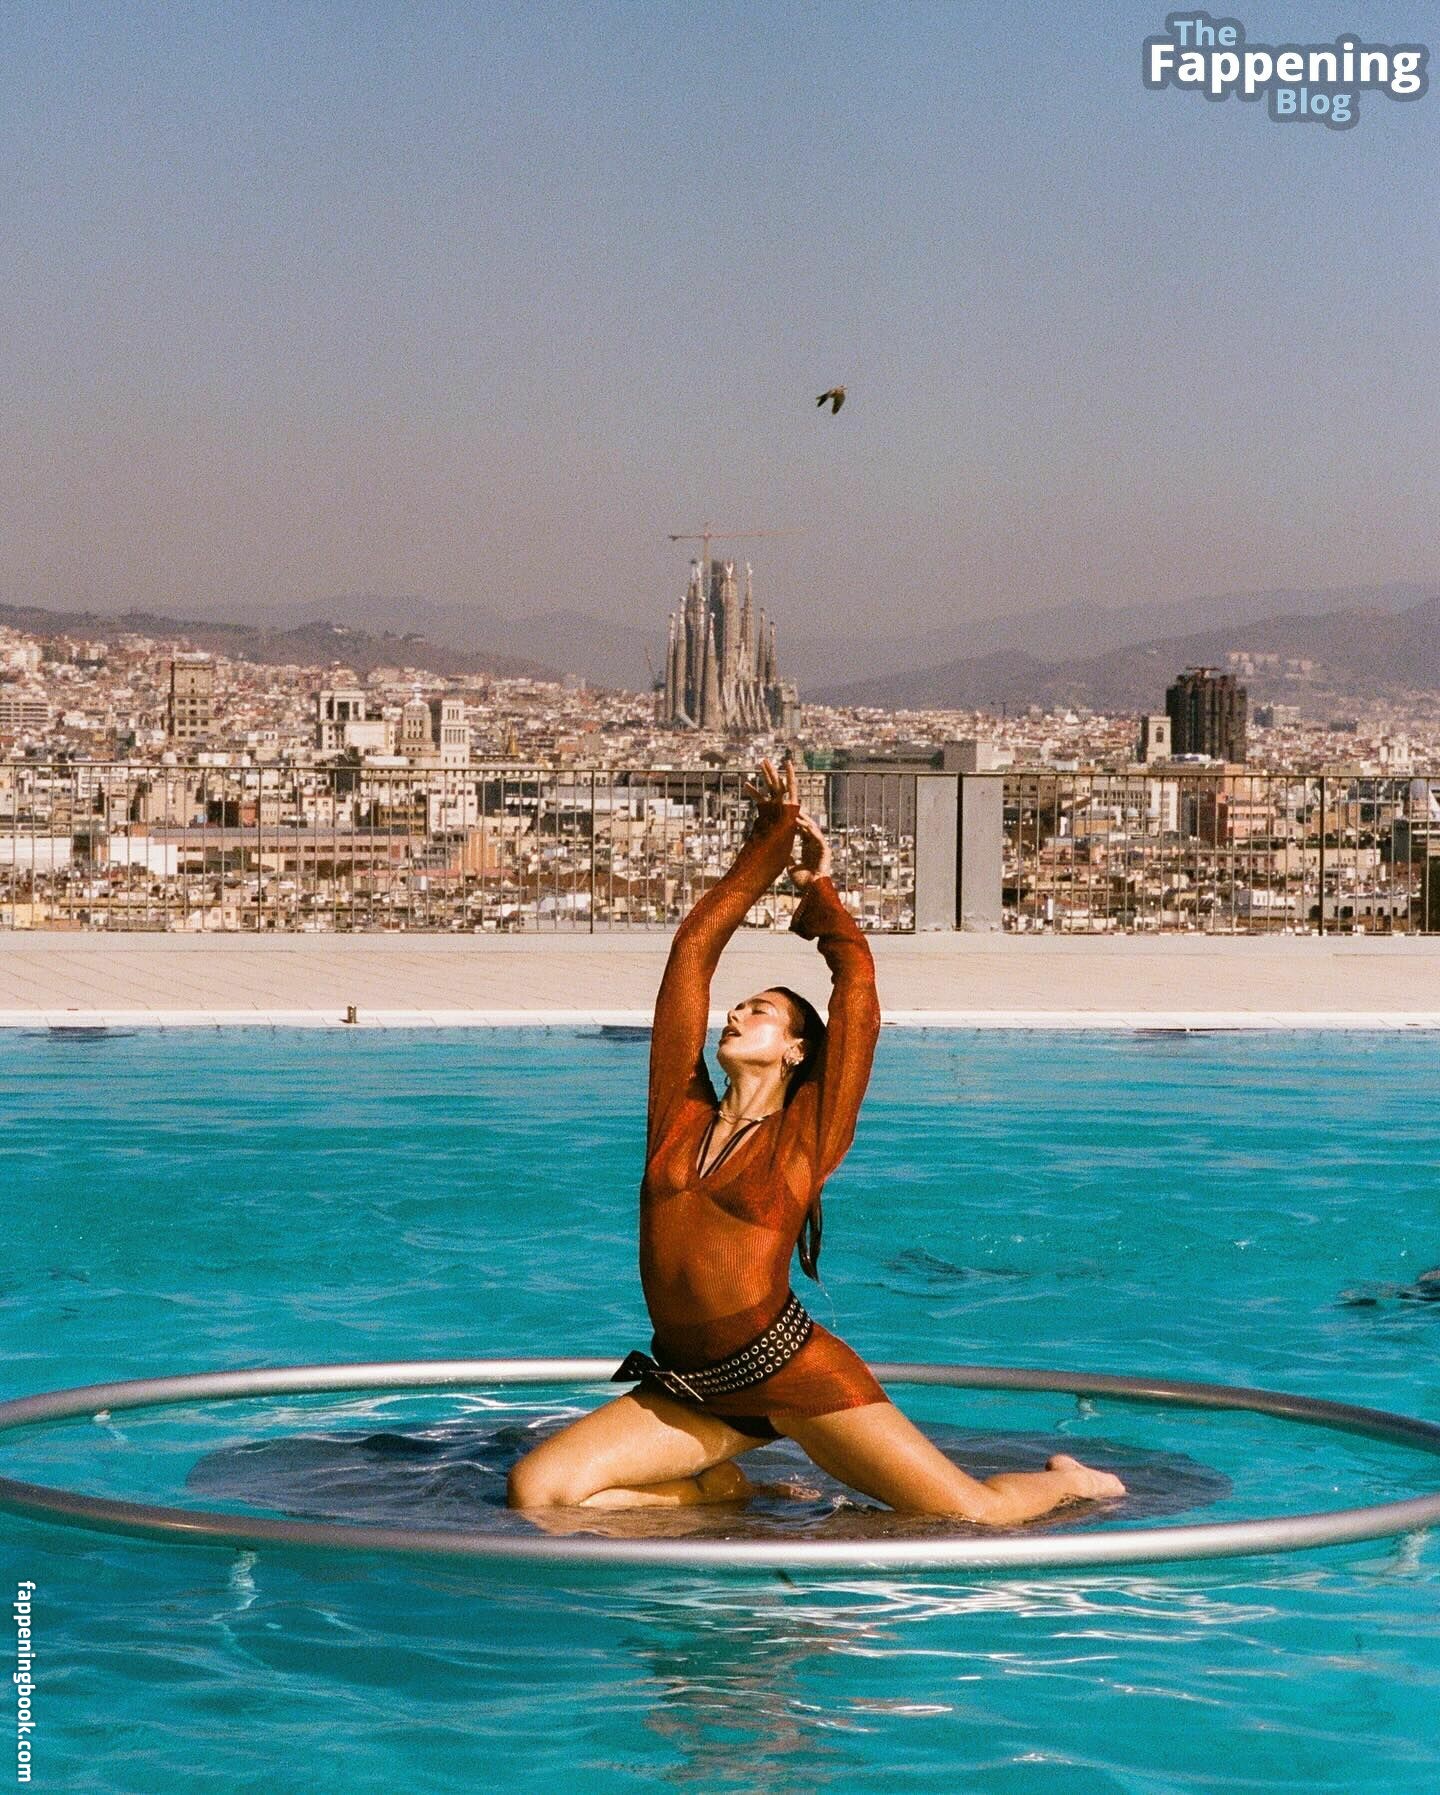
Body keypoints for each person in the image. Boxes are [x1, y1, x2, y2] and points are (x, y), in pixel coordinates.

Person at [508, 758, 1125, 1523]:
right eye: (737, 1006)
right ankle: (724, 1487)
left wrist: (817, 892)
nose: (736, 1014)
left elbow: (857, 993)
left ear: (796, 1049)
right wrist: (766, 846)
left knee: (972, 1514)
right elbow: (692, 952)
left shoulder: (806, 1132)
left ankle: (1072, 1480)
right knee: (537, 1492)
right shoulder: (680, 1114)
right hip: (695, 1385)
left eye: (760, 1011)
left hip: (793, 1376)